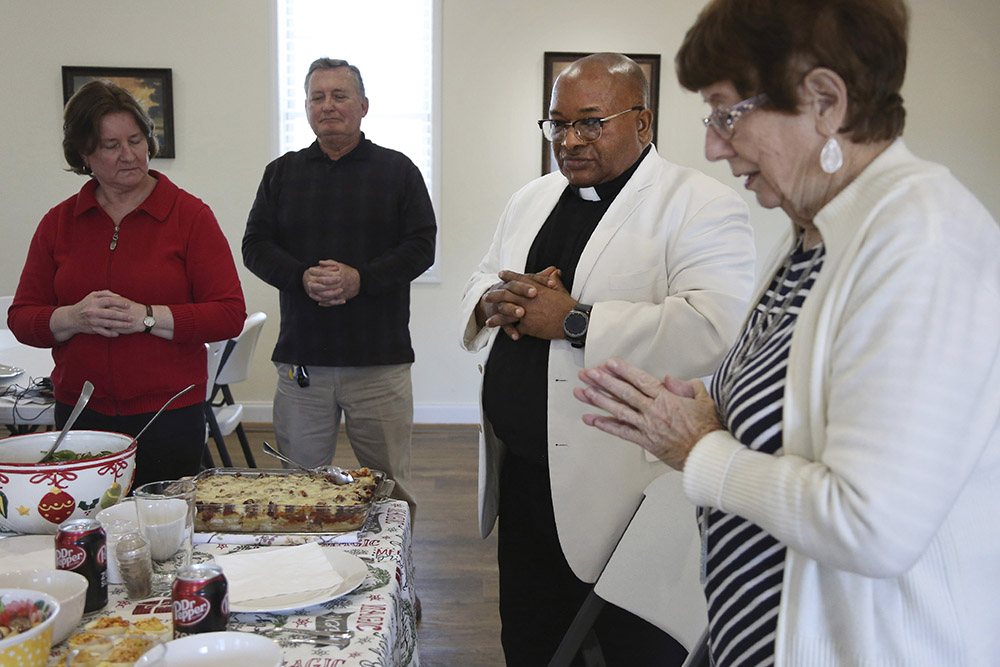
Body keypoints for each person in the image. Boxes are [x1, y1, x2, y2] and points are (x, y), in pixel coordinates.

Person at [574, 1, 1000, 665]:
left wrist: (698, 448)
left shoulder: (923, 240)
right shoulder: (820, 232)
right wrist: (703, 402)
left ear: (825, 101)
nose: (713, 144)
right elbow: (798, 405)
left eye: (726, 113)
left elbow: (870, 524)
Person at [459, 53, 756, 666]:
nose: (568, 141)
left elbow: (717, 328)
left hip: (626, 483)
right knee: (531, 638)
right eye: (557, 123)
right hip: (523, 473)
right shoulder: (532, 197)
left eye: (591, 123)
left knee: (630, 646)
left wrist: (574, 321)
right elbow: (483, 274)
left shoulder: (700, 203)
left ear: (642, 123)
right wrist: (495, 299)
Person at [8, 80, 246, 487]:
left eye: (136, 140)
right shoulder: (59, 222)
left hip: (169, 414)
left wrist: (147, 318)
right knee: (88, 534)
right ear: (84, 153)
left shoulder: (189, 216)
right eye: (111, 145)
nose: (129, 155)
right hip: (81, 414)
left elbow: (228, 314)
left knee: (166, 535)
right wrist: (73, 317)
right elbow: (22, 318)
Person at [242, 58, 436, 516]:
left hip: (380, 363)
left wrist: (360, 279)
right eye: (317, 96)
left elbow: (421, 247)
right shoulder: (281, 173)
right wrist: (300, 277)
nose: (327, 106)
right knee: (298, 491)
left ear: (363, 106)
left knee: (390, 491)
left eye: (339, 95)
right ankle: (306, 577)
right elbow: (254, 245)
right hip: (302, 362)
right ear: (307, 107)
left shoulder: (398, 171)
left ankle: (397, 581)